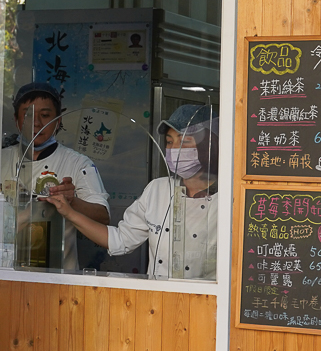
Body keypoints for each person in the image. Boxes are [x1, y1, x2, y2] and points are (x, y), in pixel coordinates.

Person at [47, 104, 219, 280]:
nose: (174, 149)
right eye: (169, 142)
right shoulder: (157, 189)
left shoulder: (227, 198)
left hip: (205, 301)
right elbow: (120, 240)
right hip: (159, 300)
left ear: (209, 145)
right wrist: (69, 212)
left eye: (184, 141)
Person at [1, 82, 110, 270]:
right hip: (2, 270)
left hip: (58, 274)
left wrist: (72, 202)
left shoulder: (78, 163)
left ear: (58, 121)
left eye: (45, 116)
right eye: (28, 115)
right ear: (16, 120)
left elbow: (103, 216)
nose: (36, 123)